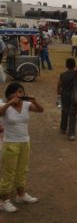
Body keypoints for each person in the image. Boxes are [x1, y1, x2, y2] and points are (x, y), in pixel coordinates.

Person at [0, 82, 44, 213]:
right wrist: (9, 103)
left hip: (25, 142)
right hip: (10, 143)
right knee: (9, 172)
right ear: (11, 94)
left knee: (22, 170)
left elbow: (41, 110)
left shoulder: (26, 105)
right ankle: (3, 200)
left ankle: (21, 194)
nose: (21, 94)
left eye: (22, 92)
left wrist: (34, 101)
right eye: (18, 92)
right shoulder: (4, 106)